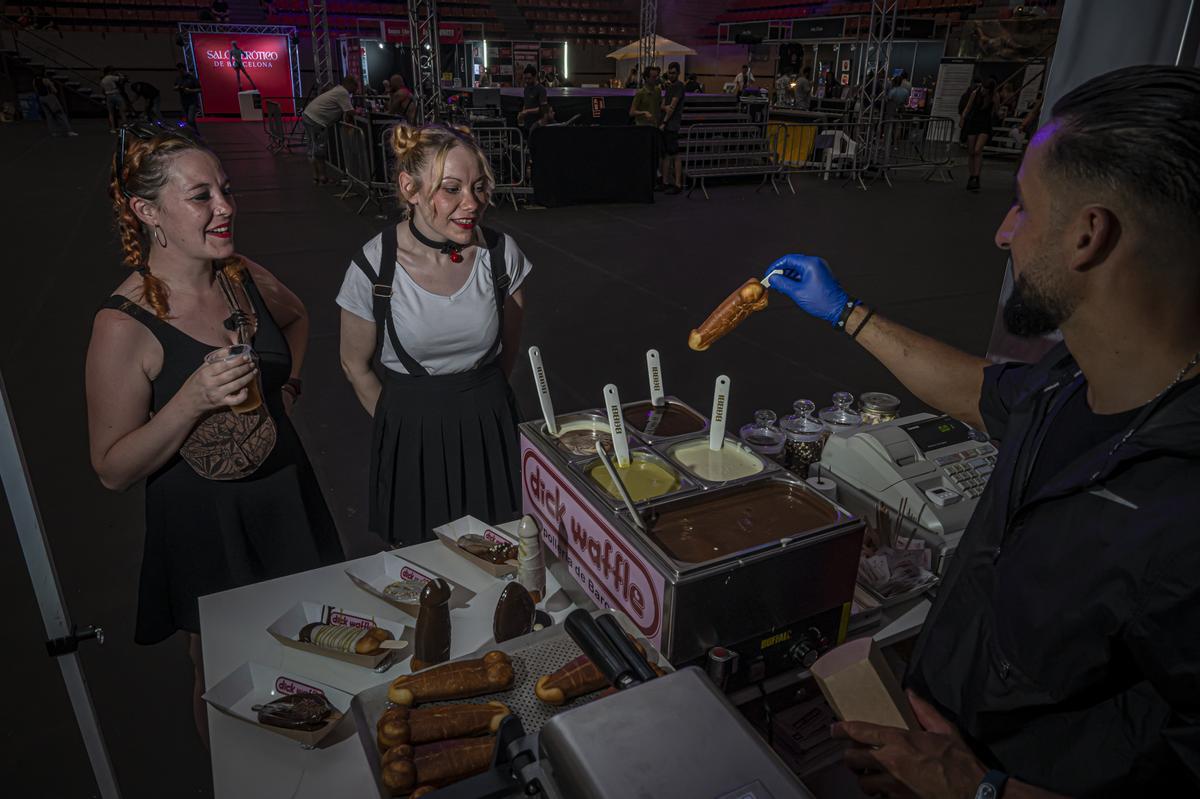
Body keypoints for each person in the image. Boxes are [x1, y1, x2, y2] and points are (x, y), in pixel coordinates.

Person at [763, 65, 1200, 797]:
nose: (1001, 234)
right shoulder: (1073, 380)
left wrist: (981, 790)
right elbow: (980, 390)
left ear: (1089, 234)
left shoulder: (1181, 506)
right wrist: (845, 312)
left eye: (1023, 208)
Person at [87, 126, 344, 746]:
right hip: (207, 523)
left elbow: (299, 315)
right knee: (228, 676)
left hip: (286, 494)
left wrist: (288, 387)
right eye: (201, 196)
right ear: (149, 213)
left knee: (318, 653)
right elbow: (112, 468)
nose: (226, 207)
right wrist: (191, 402)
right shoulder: (123, 325)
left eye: (225, 190)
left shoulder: (239, 275)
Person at [338, 124, 531, 545]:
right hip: (411, 430)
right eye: (452, 189)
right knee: (423, 563)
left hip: (487, 419)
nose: (472, 204)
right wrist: (401, 424)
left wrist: (483, 407)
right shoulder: (375, 266)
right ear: (410, 187)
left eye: (479, 188)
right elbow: (354, 365)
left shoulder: (501, 254)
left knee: (495, 552)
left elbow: (508, 349)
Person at [301, 74, 359, 185]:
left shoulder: (338, 89)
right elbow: (350, 111)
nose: (356, 88)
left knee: (312, 149)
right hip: (317, 120)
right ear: (350, 84)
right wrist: (359, 111)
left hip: (308, 115)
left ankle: (316, 177)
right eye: (356, 86)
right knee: (319, 150)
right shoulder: (343, 93)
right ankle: (322, 178)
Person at [960, 77, 997, 191]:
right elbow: (968, 107)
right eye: (983, 88)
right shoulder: (975, 93)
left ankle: (976, 175)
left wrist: (997, 109)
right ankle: (972, 176)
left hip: (985, 124)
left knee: (977, 150)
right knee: (971, 151)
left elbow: (996, 110)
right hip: (973, 122)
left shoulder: (994, 96)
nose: (984, 91)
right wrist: (963, 118)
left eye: (987, 89)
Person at [660, 61, 686, 194]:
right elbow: (664, 106)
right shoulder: (669, 87)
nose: (671, 75)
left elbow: (672, 107)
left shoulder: (679, 86)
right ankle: (666, 182)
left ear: (678, 73)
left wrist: (664, 122)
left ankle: (677, 184)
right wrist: (666, 109)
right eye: (669, 73)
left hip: (672, 125)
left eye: (673, 73)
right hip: (668, 124)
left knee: (674, 154)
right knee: (667, 154)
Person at [516, 65, 548, 137]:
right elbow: (526, 104)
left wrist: (527, 111)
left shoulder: (541, 89)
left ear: (535, 76)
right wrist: (521, 114)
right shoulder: (526, 88)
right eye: (525, 78)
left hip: (537, 125)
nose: (527, 80)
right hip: (527, 123)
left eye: (529, 78)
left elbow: (544, 109)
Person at [174, 63, 202, 130]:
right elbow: (174, 87)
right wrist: (177, 88)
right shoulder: (178, 78)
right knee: (188, 120)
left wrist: (190, 91)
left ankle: (195, 135)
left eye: (181, 70)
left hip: (192, 101)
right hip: (184, 102)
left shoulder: (192, 77)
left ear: (184, 69)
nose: (180, 72)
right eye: (178, 71)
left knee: (190, 119)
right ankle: (195, 134)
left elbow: (200, 89)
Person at [100, 66, 126, 133]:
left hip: (108, 96)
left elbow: (103, 90)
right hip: (116, 94)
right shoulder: (111, 77)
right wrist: (120, 75)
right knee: (122, 112)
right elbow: (122, 79)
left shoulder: (103, 80)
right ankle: (125, 128)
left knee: (111, 113)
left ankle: (112, 128)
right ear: (110, 71)